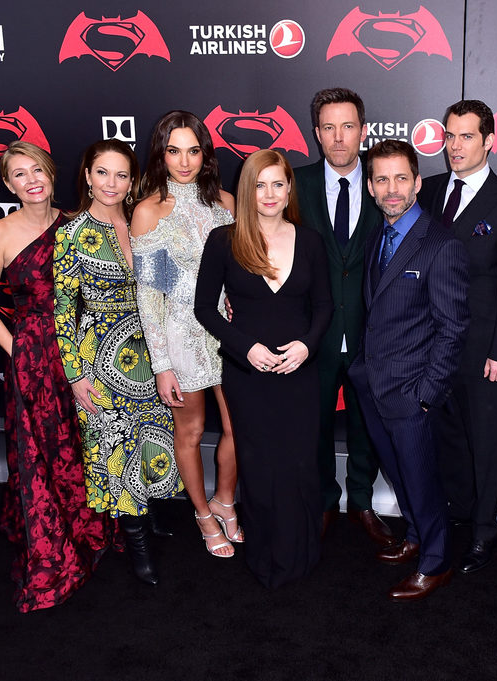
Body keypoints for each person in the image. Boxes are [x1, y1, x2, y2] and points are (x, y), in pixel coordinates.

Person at [0, 141, 113, 610]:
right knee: (41, 449)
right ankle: (51, 546)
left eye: (37, 170)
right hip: (31, 357)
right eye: (18, 174)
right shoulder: (0, 233)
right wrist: (19, 350)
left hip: (80, 354)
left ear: (51, 174)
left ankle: (87, 526)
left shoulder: (75, 225)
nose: (31, 180)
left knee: (80, 445)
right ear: (8, 184)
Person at [194, 148, 332, 588]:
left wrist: (306, 348)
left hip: (300, 372)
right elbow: (205, 310)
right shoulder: (224, 240)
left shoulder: (309, 241)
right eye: (259, 184)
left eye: (277, 183)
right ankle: (266, 556)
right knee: (258, 464)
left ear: (290, 187)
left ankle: (303, 553)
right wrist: (246, 346)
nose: (269, 193)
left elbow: (325, 306)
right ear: (246, 190)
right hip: (247, 373)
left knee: (299, 463)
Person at [54, 139, 183, 585]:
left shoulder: (143, 221)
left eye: (122, 174)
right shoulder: (71, 233)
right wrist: (75, 375)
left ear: (132, 182)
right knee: (116, 447)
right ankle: (137, 544)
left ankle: (148, 517)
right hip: (101, 358)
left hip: (151, 352)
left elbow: (166, 285)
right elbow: (63, 309)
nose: (112, 183)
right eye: (103, 172)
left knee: (151, 437)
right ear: (88, 176)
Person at [418, 99, 497, 573]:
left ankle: (484, 531)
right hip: (427, 347)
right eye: (449, 135)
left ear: (489, 141)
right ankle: (451, 517)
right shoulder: (424, 192)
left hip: (482, 351)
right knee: (441, 437)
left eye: (466, 136)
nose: (455, 146)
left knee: (484, 443)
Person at [349, 140, 469, 600]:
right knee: (400, 476)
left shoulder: (441, 246)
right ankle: (416, 536)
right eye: (381, 179)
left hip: (412, 391)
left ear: (418, 182)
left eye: (402, 178)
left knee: (420, 478)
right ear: (372, 187)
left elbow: (453, 327)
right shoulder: (379, 234)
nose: (392, 188)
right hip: (374, 384)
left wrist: (426, 393)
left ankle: (436, 562)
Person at [130, 111, 241, 559]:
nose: (184, 161)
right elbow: (150, 296)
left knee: (238, 426)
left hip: (230, 333)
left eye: (193, 151)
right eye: (174, 151)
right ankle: (201, 513)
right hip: (180, 334)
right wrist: (162, 364)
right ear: (161, 154)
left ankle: (225, 500)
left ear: (205, 154)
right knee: (191, 430)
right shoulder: (149, 211)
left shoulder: (226, 204)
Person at [295, 88, 393, 545]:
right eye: (329, 127)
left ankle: (361, 503)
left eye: (348, 126)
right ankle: (320, 501)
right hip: (309, 334)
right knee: (311, 424)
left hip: (371, 333)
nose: (339, 137)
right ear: (316, 133)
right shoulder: (293, 184)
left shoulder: (387, 186)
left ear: (364, 130)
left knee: (366, 426)